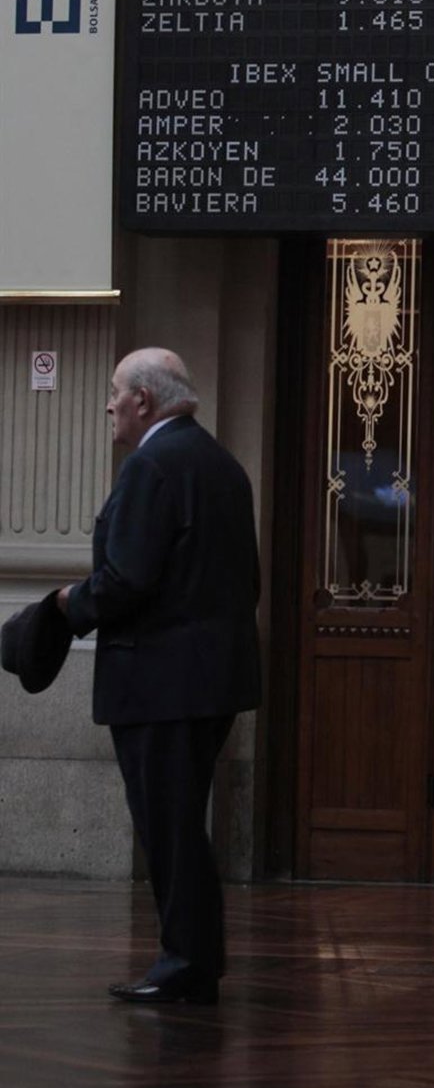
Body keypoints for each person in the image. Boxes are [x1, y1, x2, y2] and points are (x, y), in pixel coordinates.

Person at [58, 347, 261, 1006]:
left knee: (168, 827)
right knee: (180, 823)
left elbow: (126, 580)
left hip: (159, 683)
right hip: (211, 680)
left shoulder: (151, 465)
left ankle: (185, 965)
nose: (109, 404)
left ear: (143, 400)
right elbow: (247, 582)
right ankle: (194, 960)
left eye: (115, 392)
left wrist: (66, 605)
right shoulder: (223, 465)